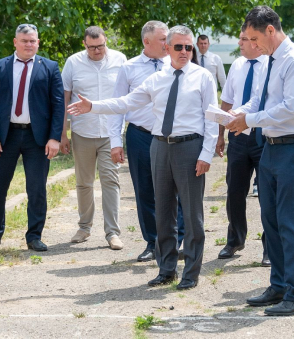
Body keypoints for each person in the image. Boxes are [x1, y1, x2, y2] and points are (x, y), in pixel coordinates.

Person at [68, 25, 218, 290]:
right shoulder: (157, 79)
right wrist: (93, 106)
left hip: (189, 147)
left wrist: (206, 153)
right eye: (179, 46)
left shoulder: (203, 77)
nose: (185, 51)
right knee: (163, 212)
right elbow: (124, 102)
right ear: (167, 48)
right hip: (160, 147)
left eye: (189, 47)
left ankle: (191, 273)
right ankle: (166, 269)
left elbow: (212, 118)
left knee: (192, 213)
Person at [226, 6, 294, 317]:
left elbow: (291, 108)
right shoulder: (269, 60)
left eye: (254, 39)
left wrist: (249, 120)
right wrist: (238, 114)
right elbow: (259, 99)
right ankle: (279, 285)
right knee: (271, 219)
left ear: (270, 30)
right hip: (271, 146)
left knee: (290, 221)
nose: (252, 45)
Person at [107, 21, 185, 262]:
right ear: (146, 41)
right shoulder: (129, 68)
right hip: (140, 135)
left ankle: (176, 240)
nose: (167, 43)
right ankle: (153, 242)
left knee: (178, 189)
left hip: (172, 136)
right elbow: (118, 105)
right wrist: (115, 142)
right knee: (145, 191)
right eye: (162, 39)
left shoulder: (177, 64)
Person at [0, 23, 64, 252]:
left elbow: (58, 105)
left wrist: (54, 138)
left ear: (38, 43)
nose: (29, 44)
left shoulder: (50, 67)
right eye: (25, 41)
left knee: (36, 188)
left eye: (33, 41)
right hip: (5, 137)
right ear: (15, 42)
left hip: (37, 139)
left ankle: (34, 237)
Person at [60, 26, 127, 250]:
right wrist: (63, 133)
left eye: (101, 46)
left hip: (110, 132)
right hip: (83, 131)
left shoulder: (120, 60)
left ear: (106, 42)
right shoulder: (73, 62)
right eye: (92, 47)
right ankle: (84, 227)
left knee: (110, 181)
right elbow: (64, 98)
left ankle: (112, 233)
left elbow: (127, 96)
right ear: (84, 44)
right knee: (84, 182)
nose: (97, 51)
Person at [215, 27, 269, 266]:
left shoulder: (269, 64)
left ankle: (270, 246)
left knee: (267, 193)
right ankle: (235, 239)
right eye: (240, 39)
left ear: (256, 42)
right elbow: (227, 101)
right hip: (237, 136)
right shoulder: (237, 65)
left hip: (262, 136)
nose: (241, 44)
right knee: (234, 191)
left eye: (245, 40)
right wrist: (221, 135)